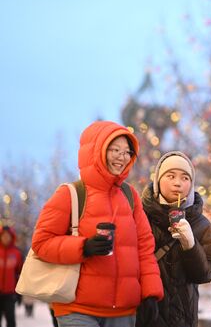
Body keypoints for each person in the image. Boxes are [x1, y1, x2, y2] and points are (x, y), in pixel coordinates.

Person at [31, 120, 164, 327]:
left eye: (127, 152)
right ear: (97, 151)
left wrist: (150, 294)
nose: (122, 157)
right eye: (115, 150)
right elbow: (41, 243)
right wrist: (83, 247)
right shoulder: (71, 194)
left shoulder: (131, 196)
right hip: (77, 308)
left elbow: (144, 249)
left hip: (123, 311)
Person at [136, 151, 211, 327]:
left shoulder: (202, 225)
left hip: (183, 317)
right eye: (170, 176)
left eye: (185, 178)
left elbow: (204, 274)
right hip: (146, 314)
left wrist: (190, 244)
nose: (177, 183)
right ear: (158, 179)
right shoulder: (140, 216)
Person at [0, 226, 23, 327]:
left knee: (11, 321)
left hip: (10, 294)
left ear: (11, 237)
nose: (5, 238)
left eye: (8, 236)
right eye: (3, 236)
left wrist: (19, 293)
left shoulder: (17, 253)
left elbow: (20, 274)